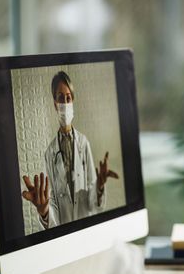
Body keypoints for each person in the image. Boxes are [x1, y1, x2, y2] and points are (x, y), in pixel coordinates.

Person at [21, 71, 119, 229]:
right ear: (55, 103)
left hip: (87, 230)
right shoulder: (49, 154)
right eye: (60, 97)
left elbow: (93, 203)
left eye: (68, 98)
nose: (65, 103)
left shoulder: (83, 143)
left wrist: (99, 186)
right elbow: (50, 201)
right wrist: (44, 211)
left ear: (72, 101)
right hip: (64, 235)